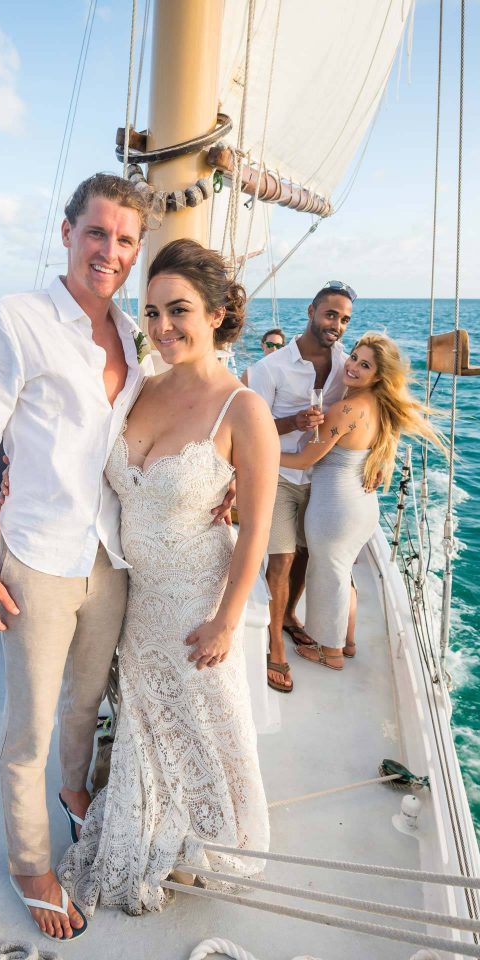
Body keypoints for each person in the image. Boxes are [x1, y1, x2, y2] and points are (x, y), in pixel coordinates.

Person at [0, 175, 234, 941]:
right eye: (97, 233)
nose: (109, 251)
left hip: (108, 557)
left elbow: (160, 431)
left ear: (137, 251)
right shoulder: (17, 319)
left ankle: (76, 795)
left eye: (125, 240)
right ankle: (30, 863)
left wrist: (220, 478)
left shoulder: (133, 340)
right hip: (38, 556)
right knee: (30, 726)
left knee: (84, 704)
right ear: (69, 232)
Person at [57, 238, 278, 917]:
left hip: (194, 599)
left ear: (217, 313)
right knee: (145, 724)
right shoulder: (139, 388)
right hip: (134, 593)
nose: (161, 328)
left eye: (178, 310)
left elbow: (258, 531)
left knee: (203, 725)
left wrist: (226, 617)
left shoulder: (243, 409)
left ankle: (208, 838)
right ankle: (152, 820)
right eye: (150, 313)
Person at [280, 331, 446, 669]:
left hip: (334, 509)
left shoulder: (347, 409)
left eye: (364, 364)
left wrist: (260, 451)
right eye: (354, 357)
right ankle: (347, 641)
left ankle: (331, 652)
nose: (353, 366)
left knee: (328, 576)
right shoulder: (381, 407)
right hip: (361, 507)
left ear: (378, 375)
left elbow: (302, 460)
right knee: (341, 574)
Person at [248, 281, 356, 693]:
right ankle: (274, 644)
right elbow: (251, 428)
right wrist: (292, 423)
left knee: (309, 557)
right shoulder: (269, 368)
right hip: (278, 476)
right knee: (281, 559)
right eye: (331, 315)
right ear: (312, 310)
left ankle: (290, 616)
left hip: (323, 478)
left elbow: (367, 409)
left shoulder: (347, 364)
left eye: (345, 319)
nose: (337, 325)